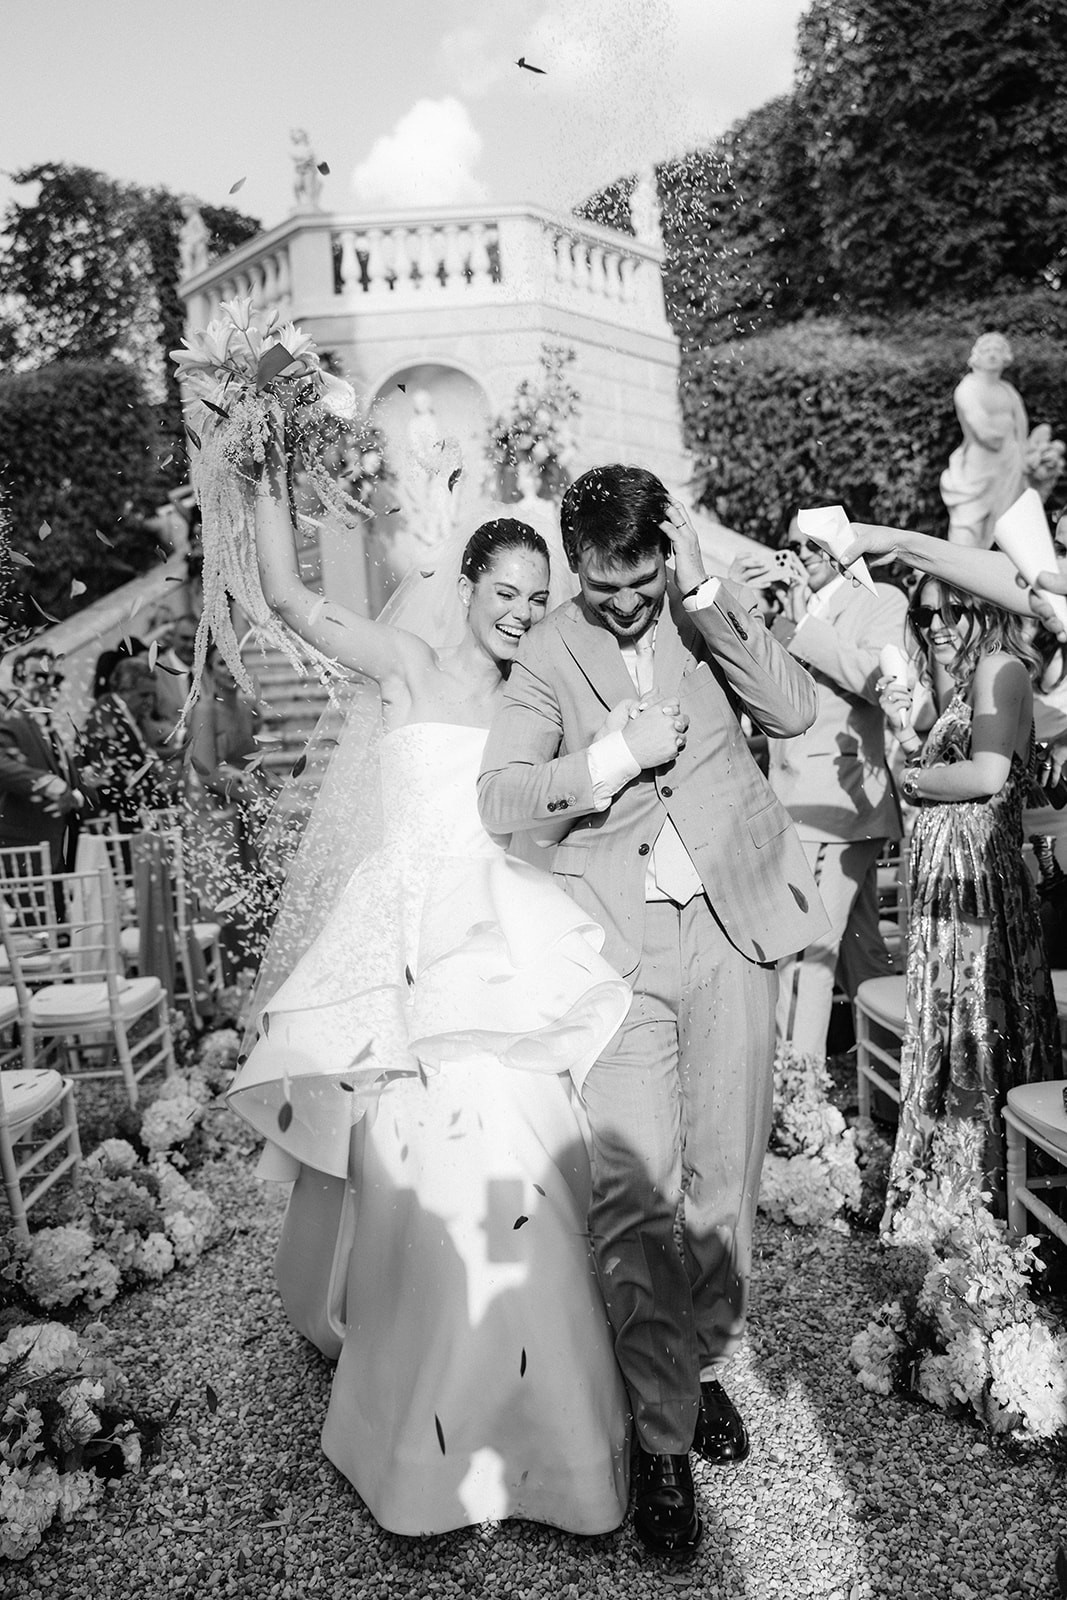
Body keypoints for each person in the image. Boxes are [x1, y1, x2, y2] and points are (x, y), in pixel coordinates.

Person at [227, 433, 635, 1538]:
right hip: (401, 945)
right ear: (464, 585)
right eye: (503, 591)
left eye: (534, 597)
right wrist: (263, 458)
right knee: (404, 1166)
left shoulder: (533, 697)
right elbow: (286, 596)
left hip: (496, 946)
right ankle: (418, 1419)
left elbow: (563, 804)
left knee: (522, 1153)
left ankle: (540, 1418)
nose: (517, 610)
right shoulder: (403, 671)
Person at [477, 465, 828, 1556]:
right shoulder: (547, 653)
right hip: (620, 950)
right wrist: (606, 757)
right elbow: (497, 797)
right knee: (636, 1195)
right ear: (575, 565)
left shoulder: (699, 609)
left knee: (722, 1190)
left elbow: (793, 708)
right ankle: (661, 1441)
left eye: (639, 580)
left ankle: (702, 1356)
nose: (625, 603)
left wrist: (716, 602)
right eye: (602, 585)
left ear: (662, 553)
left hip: (730, 928)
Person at [878, 579, 1058, 1222]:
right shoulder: (965, 681)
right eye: (923, 615)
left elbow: (988, 776)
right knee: (951, 1032)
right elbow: (930, 763)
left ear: (980, 608)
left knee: (979, 1032)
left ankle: (981, 1199)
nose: (933, 626)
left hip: (977, 892)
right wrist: (904, 725)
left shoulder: (1001, 669)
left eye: (946, 611)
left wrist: (915, 777)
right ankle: (955, 1192)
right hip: (949, 888)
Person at [733, 511, 909, 1060]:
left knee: (807, 952)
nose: (801, 552)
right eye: (791, 544)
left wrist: (798, 630)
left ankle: (796, 1094)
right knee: (863, 952)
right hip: (791, 798)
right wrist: (749, 603)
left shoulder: (882, 600)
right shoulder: (787, 608)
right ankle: (888, 1092)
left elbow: (877, 681)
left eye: (813, 543)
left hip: (839, 802)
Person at [0, 650, 91, 871]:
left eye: (57, 678)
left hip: (56, 852)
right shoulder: (9, 719)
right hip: (22, 857)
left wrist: (79, 794)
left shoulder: (50, 727)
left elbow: (74, 785)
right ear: (18, 680)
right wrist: (51, 784)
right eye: (39, 676)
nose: (50, 683)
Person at [940, 333, 1029, 547]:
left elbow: (1021, 425)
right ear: (976, 357)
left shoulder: (1008, 390)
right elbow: (985, 433)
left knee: (1007, 526)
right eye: (987, 350)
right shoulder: (968, 388)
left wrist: (1022, 455)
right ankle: (961, 574)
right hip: (978, 469)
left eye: (997, 350)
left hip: (1008, 467)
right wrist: (1005, 438)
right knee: (968, 523)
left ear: (1006, 357)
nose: (992, 355)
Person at [77, 657, 177, 829]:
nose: (150, 702)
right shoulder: (105, 719)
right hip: (116, 822)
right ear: (124, 690)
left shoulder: (123, 714)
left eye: (153, 695)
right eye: (144, 694)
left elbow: (140, 756)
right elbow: (109, 777)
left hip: (131, 817)